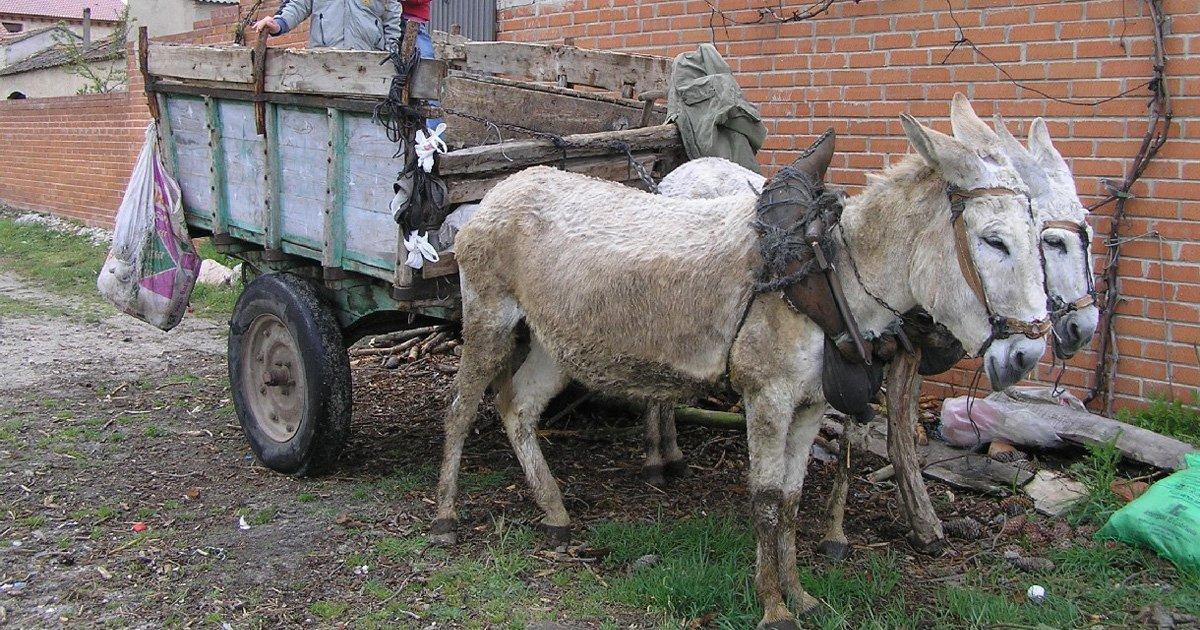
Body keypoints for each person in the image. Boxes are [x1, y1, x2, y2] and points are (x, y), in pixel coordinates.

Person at [252, 0, 432, 54]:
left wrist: (390, 53)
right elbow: (298, 5)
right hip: (324, 61)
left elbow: (392, 16)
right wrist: (278, 24)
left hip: (369, 62)